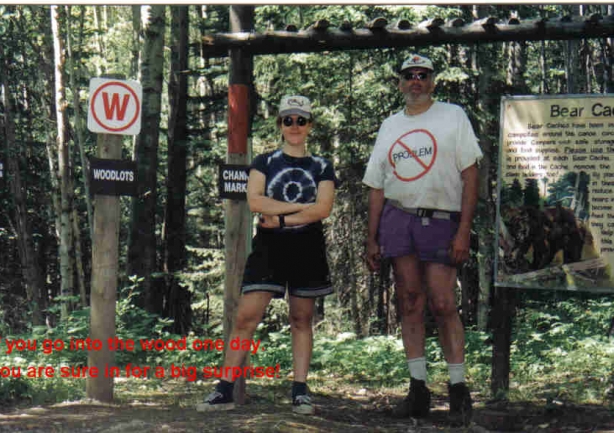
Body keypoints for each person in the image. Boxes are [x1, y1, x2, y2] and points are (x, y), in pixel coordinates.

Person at [196, 95, 336, 415]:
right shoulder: (264, 162)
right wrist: (304, 208)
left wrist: (284, 218)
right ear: (280, 124)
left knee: (301, 319)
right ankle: (224, 388)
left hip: (307, 248)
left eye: (301, 120)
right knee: (246, 316)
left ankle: (300, 390)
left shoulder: (323, 166)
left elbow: (324, 208)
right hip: (269, 248)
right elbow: (256, 202)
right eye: (288, 120)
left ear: (310, 125)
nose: (295, 126)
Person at [363, 53, 482, 426]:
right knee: (409, 300)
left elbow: (471, 172)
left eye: (423, 75)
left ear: (432, 82)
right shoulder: (390, 125)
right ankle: (418, 387)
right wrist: (372, 236)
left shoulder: (453, 116)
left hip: (442, 219)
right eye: (409, 76)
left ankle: (459, 389)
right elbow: (377, 184)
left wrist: (464, 228)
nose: (416, 81)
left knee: (444, 302)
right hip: (399, 217)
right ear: (400, 83)